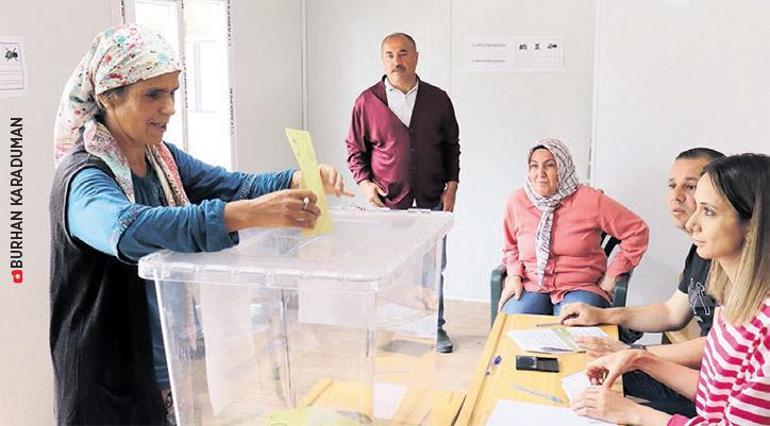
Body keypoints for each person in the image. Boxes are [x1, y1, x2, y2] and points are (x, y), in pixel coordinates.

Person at [49, 25, 351, 425]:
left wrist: (297, 179)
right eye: (153, 95)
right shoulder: (84, 177)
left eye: (172, 92)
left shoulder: (160, 158)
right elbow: (128, 230)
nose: (169, 107)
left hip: (165, 364)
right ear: (108, 97)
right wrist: (245, 214)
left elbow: (232, 185)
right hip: (107, 373)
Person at [572, 153, 770, 425]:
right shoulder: (734, 301)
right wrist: (638, 358)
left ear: (753, 224)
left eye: (708, 211)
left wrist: (634, 412)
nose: (691, 223)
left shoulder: (764, 330)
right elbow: (713, 394)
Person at [558, 148, 724, 416]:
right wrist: (605, 314)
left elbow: (719, 347)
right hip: (699, 378)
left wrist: (634, 352)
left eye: (690, 187)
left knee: (600, 399)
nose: (676, 196)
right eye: (672, 185)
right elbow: (672, 312)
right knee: (584, 369)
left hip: (710, 386)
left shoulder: (734, 261)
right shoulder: (701, 250)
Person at [345, 32, 460, 353]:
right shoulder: (367, 102)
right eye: (391, 55)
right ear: (383, 60)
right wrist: (365, 184)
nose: (398, 61)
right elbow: (355, 150)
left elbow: (452, 147)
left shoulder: (438, 99)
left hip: (430, 200)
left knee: (432, 267)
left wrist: (452, 187)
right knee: (387, 269)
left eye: (404, 53)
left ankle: (434, 328)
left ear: (416, 57)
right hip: (388, 203)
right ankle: (387, 329)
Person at [499, 138, 649, 315]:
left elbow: (637, 231)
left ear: (563, 167)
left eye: (549, 165)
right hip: (531, 285)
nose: (540, 173)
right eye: (534, 166)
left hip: (581, 286)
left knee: (575, 331)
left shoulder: (591, 200)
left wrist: (611, 276)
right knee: (514, 325)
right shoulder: (516, 201)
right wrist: (514, 277)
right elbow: (510, 248)